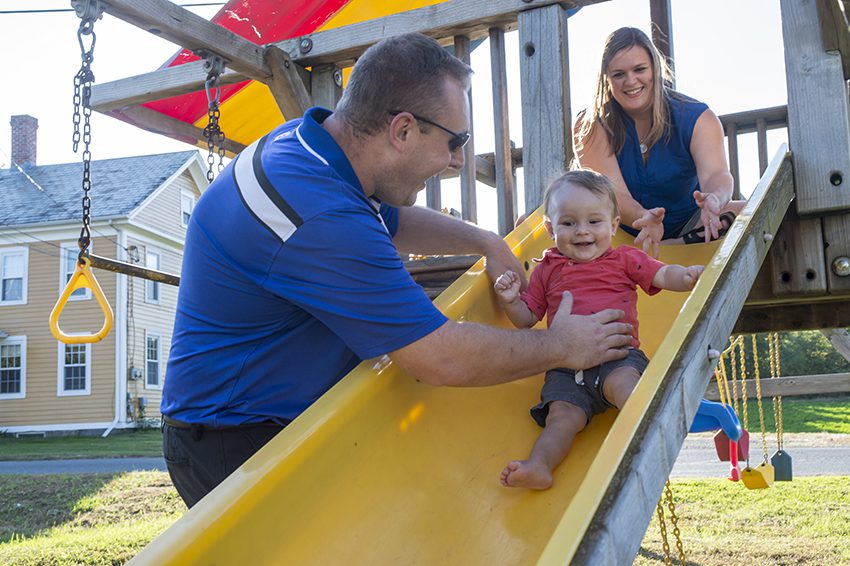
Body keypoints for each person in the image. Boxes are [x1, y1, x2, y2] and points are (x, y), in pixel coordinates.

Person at [160, 32, 635, 508]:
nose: (456, 159)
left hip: (278, 415)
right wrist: (564, 345)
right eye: (455, 141)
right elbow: (439, 357)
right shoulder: (320, 215)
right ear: (403, 129)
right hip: (236, 440)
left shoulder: (315, 154)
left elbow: (394, 221)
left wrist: (484, 241)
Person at [493, 170, 703, 489]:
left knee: (625, 386)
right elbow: (526, 318)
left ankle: (647, 424)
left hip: (616, 355)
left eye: (594, 221)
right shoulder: (546, 269)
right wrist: (510, 300)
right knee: (561, 418)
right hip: (565, 369)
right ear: (550, 228)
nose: (582, 231)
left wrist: (685, 277)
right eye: (568, 223)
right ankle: (539, 465)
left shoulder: (624, 258)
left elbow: (661, 275)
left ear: (614, 225)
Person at [573, 27, 745, 258]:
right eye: (619, 74)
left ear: (655, 68)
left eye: (639, 69)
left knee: (744, 212)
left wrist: (715, 198)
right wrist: (645, 217)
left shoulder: (698, 117)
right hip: (620, 234)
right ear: (606, 77)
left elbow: (716, 174)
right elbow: (613, 195)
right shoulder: (591, 124)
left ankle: (674, 245)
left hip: (690, 225)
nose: (631, 81)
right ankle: (646, 251)